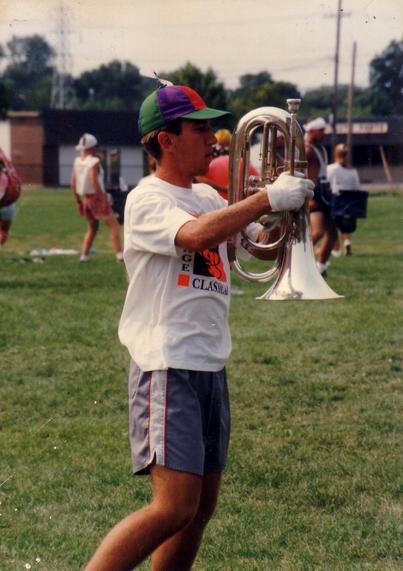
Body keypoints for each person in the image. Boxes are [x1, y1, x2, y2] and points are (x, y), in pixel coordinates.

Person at [84, 83, 313, 571]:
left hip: (210, 358)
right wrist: (265, 198)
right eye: (200, 127)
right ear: (165, 140)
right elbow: (195, 235)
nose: (214, 136)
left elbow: (253, 246)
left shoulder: (210, 195)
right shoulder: (147, 198)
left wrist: (284, 202)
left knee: (199, 509)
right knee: (174, 506)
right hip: (167, 361)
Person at [71, 133, 123, 262]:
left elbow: (73, 182)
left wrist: (78, 201)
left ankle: (84, 255)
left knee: (92, 228)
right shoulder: (94, 161)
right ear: (92, 147)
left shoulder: (77, 161)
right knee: (114, 225)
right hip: (96, 197)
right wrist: (103, 198)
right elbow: (94, 180)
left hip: (85, 198)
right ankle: (119, 255)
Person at [304, 117, 338, 275]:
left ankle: (321, 266)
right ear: (312, 131)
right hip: (315, 194)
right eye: (321, 131)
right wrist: (309, 197)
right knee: (318, 232)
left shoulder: (319, 149)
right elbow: (304, 175)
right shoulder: (307, 150)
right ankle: (295, 258)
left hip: (325, 192)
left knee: (331, 234)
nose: (324, 134)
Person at [327, 143, 362, 256]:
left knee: (333, 225)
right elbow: (357, 187)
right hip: (349, 199)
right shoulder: (352, 171)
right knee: (345, 225)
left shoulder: (331, 168)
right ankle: (347, 242)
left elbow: (327, 183)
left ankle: (336, 249)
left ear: (335, 154)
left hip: (335, 198)